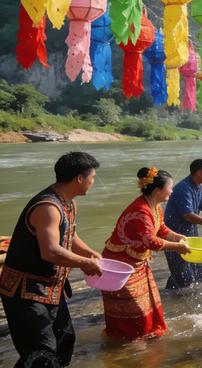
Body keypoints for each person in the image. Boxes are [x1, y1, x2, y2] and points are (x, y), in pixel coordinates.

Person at [0, 152, 103, 367]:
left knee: (65, 341)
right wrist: (84, 264)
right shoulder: (48, 207)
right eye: (92, 176)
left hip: (50, 288)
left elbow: (69, 234)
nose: (93, 182)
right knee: (42, 351)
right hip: (24, 290)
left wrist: (89, 253)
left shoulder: (68, 203)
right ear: (80, 178)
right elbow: (50, 251)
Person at [101, 167, 190, 340]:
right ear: (157, 190)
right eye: (169, 187)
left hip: (138, 262)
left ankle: (142, 339)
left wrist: (177, 236)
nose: (172, 191)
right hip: (120, 265)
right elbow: (152, 242)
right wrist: (178, 247)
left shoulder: (155, 206)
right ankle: (128, 344)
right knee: (134, 309)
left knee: (149, 303)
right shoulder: (141, 210)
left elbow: (161, 229)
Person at [163, 159, 202, 289]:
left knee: (200, 270)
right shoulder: (184, 188)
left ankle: (195, 297)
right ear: (198, 172)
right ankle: (170, 298)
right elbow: (187, 215)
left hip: (190, 232)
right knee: (182, 274)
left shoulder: (198, 187)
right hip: (175, 235)